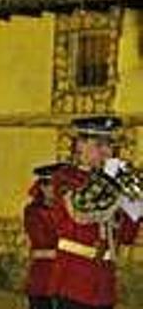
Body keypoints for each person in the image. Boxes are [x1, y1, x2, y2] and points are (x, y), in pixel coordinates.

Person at [50, 116, 141, 309]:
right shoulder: (65, 178)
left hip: (104, 283)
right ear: (80, 146)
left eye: (110, 146)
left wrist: (135, 200)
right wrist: (109, 178)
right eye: (100, 145)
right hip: (72, 281)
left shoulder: (111, 184)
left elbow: (126, 236)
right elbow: (81, 210)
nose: (108, 152)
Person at [24, 163, 62, 309]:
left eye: (56, 185)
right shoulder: (34, 211)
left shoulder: (64, 210)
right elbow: (41, 241)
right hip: (43, 278)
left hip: (64, 280)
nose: (53, 189)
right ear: (41, 187)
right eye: (48, 184)